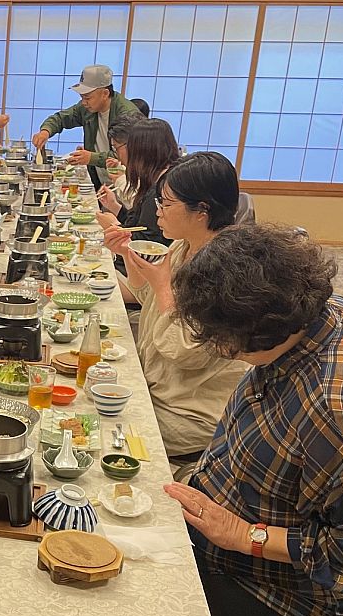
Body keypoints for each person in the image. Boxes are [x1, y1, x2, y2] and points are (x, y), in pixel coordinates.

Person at [162, 223, 343, 616]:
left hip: (293, 596)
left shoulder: (335, 413)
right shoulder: (322, 313)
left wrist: (245, 535)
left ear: (259, 327)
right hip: (234, 524)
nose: (218, 348)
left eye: (222, 338)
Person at [100, 152, 249, 470]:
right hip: (160, 385)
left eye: (166, 204)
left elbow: (184, 351)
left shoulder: (225, 269)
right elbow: (148, 297)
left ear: (202, 211)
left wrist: (164, 287)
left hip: (187, 410)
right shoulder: (184, 245)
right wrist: (126, 253)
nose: (158, 211)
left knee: (100, 429)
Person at [31, 65, 143, 186]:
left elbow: (130, 154)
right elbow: (61, 118)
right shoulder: (88, 108)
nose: (84, 103)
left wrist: (91, 157)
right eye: (82, 97)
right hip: (101, 180)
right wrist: (45, 131)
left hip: (126, 183)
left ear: (105, 93)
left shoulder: (128, 115)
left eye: (87, 97)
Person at [98, 117, 180, 247]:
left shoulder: (163, 187)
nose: (117, 155)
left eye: (116, 148)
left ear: (141, 150)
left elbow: (149, 244)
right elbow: (139, 224)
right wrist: (115, 207)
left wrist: (114, 226)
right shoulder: (155, 177)